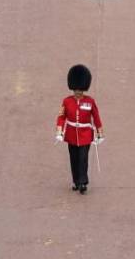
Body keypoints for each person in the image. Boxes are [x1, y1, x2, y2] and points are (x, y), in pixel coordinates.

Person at [56, 64, 104, 194]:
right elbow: (61, 117)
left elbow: (96, 117)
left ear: (83, 88)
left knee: (83, 158)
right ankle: (76, 181)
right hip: (71, 134)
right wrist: (59, 131)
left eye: (80, 89)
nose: (78, 92)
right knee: (74, 159)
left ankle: (83, 182)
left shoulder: (90, 101)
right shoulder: (67, 101)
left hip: (85, 134)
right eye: (76, 89)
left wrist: (100, 133)